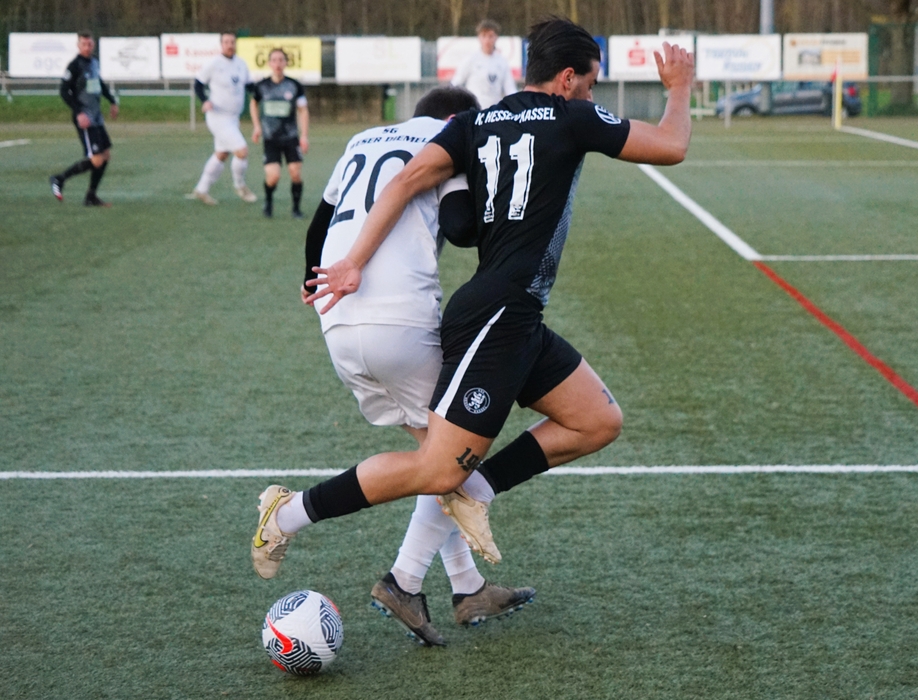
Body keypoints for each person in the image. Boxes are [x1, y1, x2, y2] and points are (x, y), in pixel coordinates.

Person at [253, 18, 693, 582]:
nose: (590, 95)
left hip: (517, 313)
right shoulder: (572, 115)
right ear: (566, 80)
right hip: (496, 313)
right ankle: (290, 512)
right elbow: (672, 144)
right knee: (439, 468)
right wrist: (679, 87)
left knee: (596, 420)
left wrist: (354, 258)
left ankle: (474, 499)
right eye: (588, 84)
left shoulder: (476, 122)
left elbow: (406, 182)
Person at [284, 85, 534, 646]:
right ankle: (312, 526)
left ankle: (467, 588)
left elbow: (319, 224)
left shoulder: (362, 138)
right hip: (399, 320)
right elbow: (462, 225)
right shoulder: (450, 139)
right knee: (453, 456)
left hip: (338, 322)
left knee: (436, 457)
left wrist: (311, 279)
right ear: (457, 119)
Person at [49, 31, 119, 207]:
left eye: (90, 44)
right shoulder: (74, 66)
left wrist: (112, 101)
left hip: (96, 116)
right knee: (96, 159)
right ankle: (59, 179)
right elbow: (64, 91)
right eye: (84, 44)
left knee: (105, 155)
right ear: (78, 46)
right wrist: (79, 112)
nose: (87, 47)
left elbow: (99, 83)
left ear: (93, 45)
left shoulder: (94, 63)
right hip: (85, 117)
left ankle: (91, 196)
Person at [186, 32, 257, 206]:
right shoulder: (214, 64)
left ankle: (201, 189)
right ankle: (240, 186)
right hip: (218, 117)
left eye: (232, 42)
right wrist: (205, 101)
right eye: (226, 42)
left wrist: (264, 92)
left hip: (233, 118)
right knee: (241, 151)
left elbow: (250, 86)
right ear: (221, 45)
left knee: (222, 154)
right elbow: (198, 84)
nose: (230, 45)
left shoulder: (241, 64)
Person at [250, 49, 310, 219]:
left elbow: (303, 110)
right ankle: (268, 201)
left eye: (281, 60)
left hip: (291, 137)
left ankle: (296, 209)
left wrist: (304, 135)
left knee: (295, 173)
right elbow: (253, 103)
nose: (277, 63)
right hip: (271, 138)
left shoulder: (294, 85)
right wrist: (257, 126)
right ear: (269, 63)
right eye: (274, 60)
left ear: (286, 63)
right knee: (273, 177)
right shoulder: (262, 86)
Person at [451, 19, 518, 109]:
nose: (487, 40)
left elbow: (509, 89)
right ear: (479, 37)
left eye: (490, 36)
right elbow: (456, 83)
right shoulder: (471, 60)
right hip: (475, 111)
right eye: (484, 36)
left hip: (493, 112)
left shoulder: (502, 62)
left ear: (496, 37)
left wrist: (518, 104)